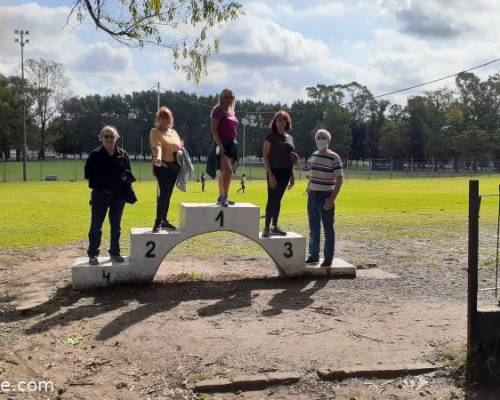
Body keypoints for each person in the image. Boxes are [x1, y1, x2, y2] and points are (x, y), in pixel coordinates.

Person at [84, 125, 135, 265]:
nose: (109, 139)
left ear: (116, 138)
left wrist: (124, 179)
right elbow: (87, 174)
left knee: (116, 226)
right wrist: (103, 178)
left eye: (111, 136)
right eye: (106, 136)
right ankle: (93, 254)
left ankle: (115, 253)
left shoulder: (123, 155)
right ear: (101, 138)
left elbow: (129, 173)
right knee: (96, 226)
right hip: (100, 195)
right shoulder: (94, 155)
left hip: (118, 197)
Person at [305, 129, 344, 267]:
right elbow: (311, 175)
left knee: (328, 229)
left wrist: (331, 199)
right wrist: (308, 187)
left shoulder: (334, 157)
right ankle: (313, 255)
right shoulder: (314, 155)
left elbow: (340, 179)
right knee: (313, 228)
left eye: (323, 137)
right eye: (318, 137)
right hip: (312, 196)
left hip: (326, 196)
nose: (320, 139)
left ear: (328, 141)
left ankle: (328, 258)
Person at [262, 111, 299, 237]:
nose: (280, 122)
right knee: (272, 198)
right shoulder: (270, 137)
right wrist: (270, 175)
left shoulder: (290, 138)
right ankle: (266, 227)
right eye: (278, 120)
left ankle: (275, 226)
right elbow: (265, 157)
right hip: (274, 171)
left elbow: (291, 158)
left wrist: (292, 176)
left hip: (286, 172)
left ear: (287, 122)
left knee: (278, 200)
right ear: (275, 122)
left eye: (283, 120)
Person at [150, 106, 182, 232]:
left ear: (170, 119)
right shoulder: (154, 132)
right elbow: (157, 146)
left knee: (168, 194)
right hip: (161, 166)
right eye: (161, 117)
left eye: (166, 117)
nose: (164, 120)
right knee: (163, 194)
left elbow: (179, 146)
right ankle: (157, 222)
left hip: (174, 168)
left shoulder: (173, 133)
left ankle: (164, 220)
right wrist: (157, 157)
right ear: (158, 119)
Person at [210, 88, 239, 207]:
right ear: (221, 98)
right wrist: (220, 144)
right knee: (227, 170)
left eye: (231, 97)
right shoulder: (218, 110)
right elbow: (214, 129)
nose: (229, 99)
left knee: (224, 172)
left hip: (232, 144)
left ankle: (221, 196)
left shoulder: (231, 111)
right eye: (226, 97)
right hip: (222, 143)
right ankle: (225, 197)